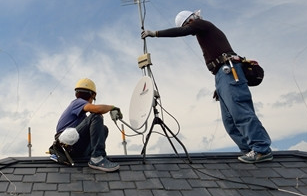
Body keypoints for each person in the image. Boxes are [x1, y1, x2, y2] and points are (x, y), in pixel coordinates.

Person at [142, 10, 273, 164]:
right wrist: (220, 85)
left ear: (190, 20)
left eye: (187, 25)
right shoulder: (202, 30)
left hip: (229, 71)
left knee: (240, 111)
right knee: (229, 120)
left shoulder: (200, 24)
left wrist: (155, 33)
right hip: (222, 74)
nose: (190, 29)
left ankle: (260, 149)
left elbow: (184, 31)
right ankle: (248, 149)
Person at [51, 78, 121, 172]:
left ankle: (94, 156)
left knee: (103, 129)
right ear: (92, 95)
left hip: (73, 147)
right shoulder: (78, 102)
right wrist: (112, 107)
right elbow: (97, 110)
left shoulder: (82, 117)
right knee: (96, 116)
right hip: (66, 143)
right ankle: (97, 158)